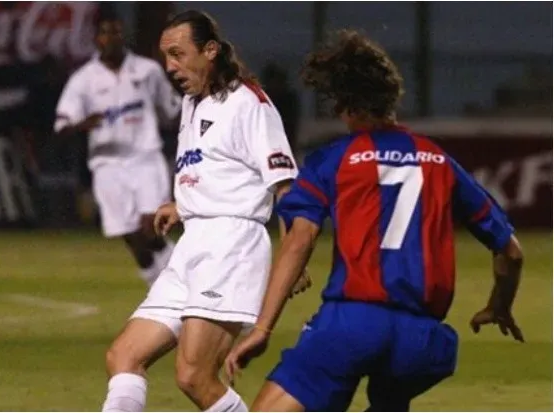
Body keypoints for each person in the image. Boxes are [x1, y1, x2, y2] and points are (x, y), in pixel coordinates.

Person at [225, 29, 525, 412]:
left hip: (351, 325)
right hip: (421, 341)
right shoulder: (439, 160)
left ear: (345, 105)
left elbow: (300, 239)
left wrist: (262, 329)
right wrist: (499, 305)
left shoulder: (334, 159)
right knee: (390, 400)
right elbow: (511, 252)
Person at [101, 10, 308, 412]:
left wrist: (292, 254)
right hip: (192, 245)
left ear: (210, 50)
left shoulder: (249, 103)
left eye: (178, 54)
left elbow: (284, 185)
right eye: (165, 57)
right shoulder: (192, 103)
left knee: (194, 376)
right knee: (123, 356)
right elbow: (216, 168)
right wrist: (184, 205)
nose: (170, 67)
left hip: (231, 247)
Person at [53, 10, 182, 285]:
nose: (111, 38)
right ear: (95, 38)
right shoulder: (83, 79)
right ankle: (159, 286)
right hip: (107, 165)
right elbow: (61, 124)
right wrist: (82, 124)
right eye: (105, 33)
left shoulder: (147, 71)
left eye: (116, 32)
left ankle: (183, 285)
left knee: (151, 227)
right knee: (132, 236)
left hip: (146, 158)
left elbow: (173, 109)